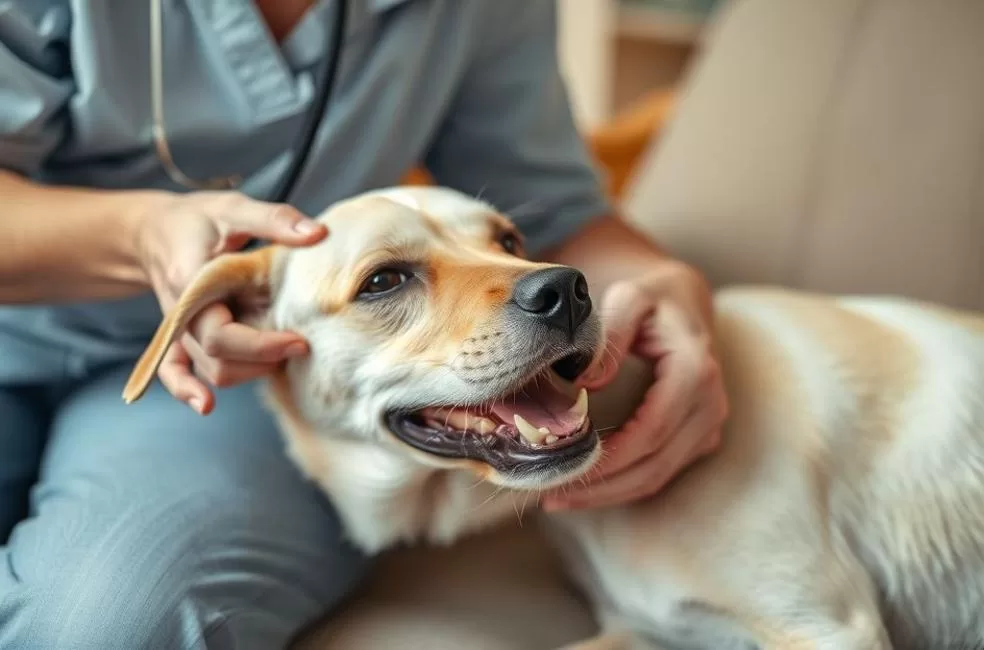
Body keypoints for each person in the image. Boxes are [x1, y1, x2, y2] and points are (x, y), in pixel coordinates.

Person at [0, 0, 727, 647]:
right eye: (386, 278)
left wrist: (667, 284)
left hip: (237, 383)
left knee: (106, 620)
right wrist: (142, 232)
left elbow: (561, 217)